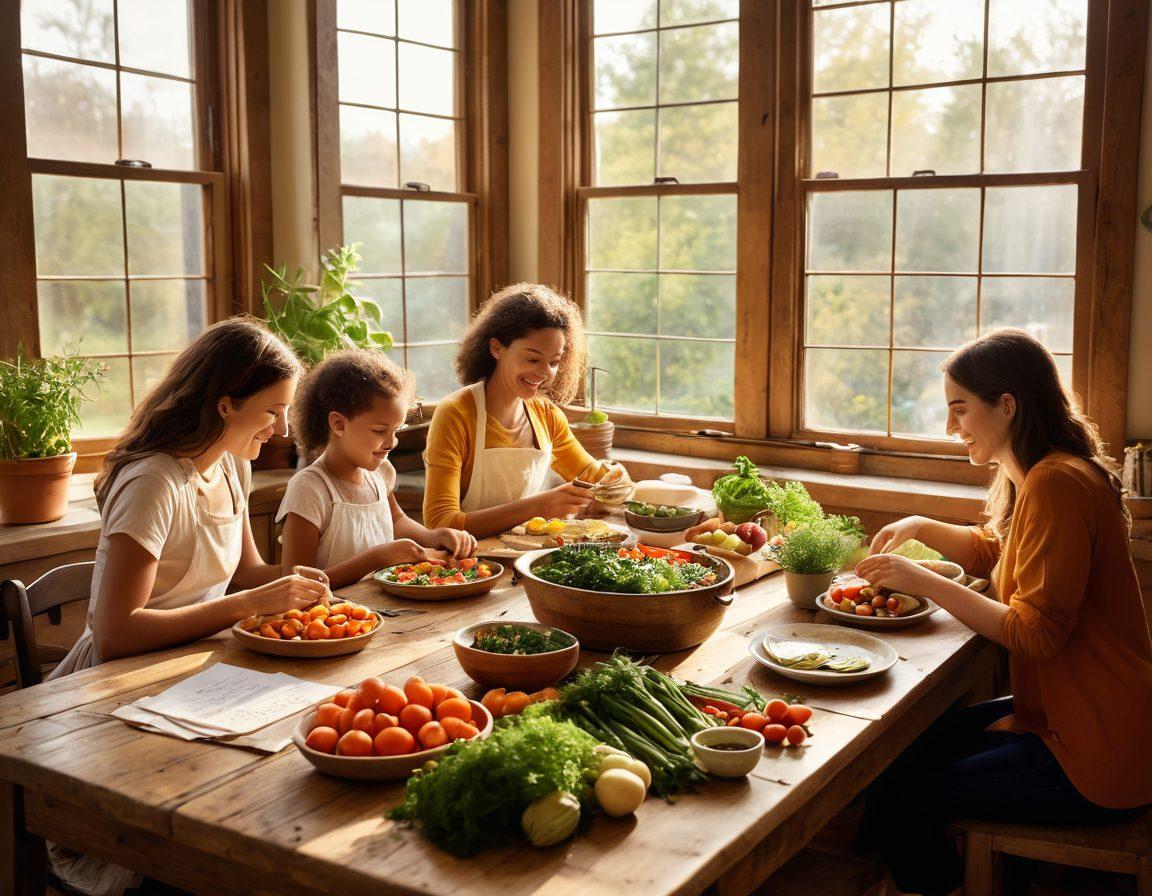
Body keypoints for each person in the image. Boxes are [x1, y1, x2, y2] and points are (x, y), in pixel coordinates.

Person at [853, 329, 1152, 896]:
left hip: (1098, 751)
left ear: (1007, 404)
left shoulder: (1058, 482)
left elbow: (1034, 635)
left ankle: (946, 885)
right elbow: (1000, 552)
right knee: (897, 750)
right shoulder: (1037, 475)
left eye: (960, 409)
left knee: (900, 795)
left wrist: (920, 580)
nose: (950, 427)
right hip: (1071, 718)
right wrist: (921, 526)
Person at [48, 318, 331, 895]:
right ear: (226, 405)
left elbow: (248, 575)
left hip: (191, 675)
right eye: (273, 410)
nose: (282, 427)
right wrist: (248, 603)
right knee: (212, 829)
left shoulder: (231, 463)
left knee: (282, 790)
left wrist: (305, 583)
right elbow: (115, 634)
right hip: (111, 694)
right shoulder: (153, 481)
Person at [422, 283, 627, 537]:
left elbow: (597, 479)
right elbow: (440, 523)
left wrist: (616, 481)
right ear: (496, 348)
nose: (544, 373)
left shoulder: (546, 415)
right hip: (473, 566)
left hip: (530, 560)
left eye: (554, 362)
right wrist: (538, 507)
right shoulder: (456, 414)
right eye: (532, 359)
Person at [278, 349, 475, 588]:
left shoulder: (381, 472)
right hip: (335, 619)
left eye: (396, 430)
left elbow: (396, 519)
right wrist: (378, 558)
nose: (392, 442)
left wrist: (433, 536)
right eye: (380, 431)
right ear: (339, 424)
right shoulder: (310, 488)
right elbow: (296, 580)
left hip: (387, 610)